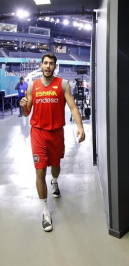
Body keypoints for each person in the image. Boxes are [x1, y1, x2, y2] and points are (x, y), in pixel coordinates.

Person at [20, 53, 85, 232]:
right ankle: (45, 212)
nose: (48, 66)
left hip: (56, 133)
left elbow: (73, 107)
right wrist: (23, 104)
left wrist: (80, 126)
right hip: (38, 134)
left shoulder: (63, 84)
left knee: (55, 166)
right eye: (45, 63)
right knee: (40, 172)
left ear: (55, 67)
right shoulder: (32, 86)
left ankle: (55, 181)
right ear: (41, 65)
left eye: (51, 64)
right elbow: (27, 113)